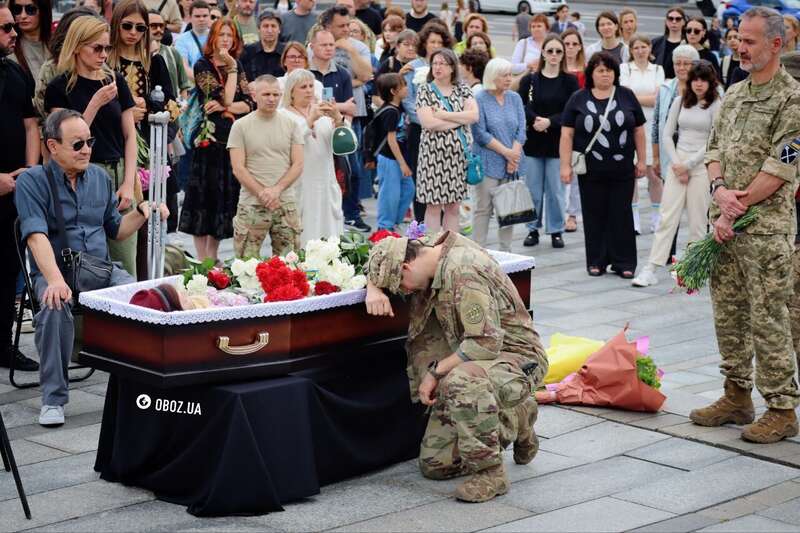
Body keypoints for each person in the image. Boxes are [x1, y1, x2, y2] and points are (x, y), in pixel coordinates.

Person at [363, 232, 548, 503]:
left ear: (406, 267)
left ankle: (491, 473)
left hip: (517, 357)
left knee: (458, 380)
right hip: (479, 357)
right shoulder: (429, 247)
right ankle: (513, 418)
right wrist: (373, 288)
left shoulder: (463, 271)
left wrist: (436, 372)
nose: (405, 291)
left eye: (401, 284)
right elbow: (379, 255)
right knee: (435, 465)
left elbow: (485, 342)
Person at [15, 109, 168, 427]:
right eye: (77, 144)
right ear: (53, 147)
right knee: (54, 304)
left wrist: (143, 211)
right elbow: (34, 235)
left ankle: (143, 385)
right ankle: (53, 399)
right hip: (54, 271)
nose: (86, 149)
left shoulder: (100, 178)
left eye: (89, 141)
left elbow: (117, 230)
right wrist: (55, 281)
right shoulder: (33, 180)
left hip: (100, 270)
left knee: (145, 299)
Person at [689, 6, 800, 443]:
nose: (740, 47)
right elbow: (713, 148)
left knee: (769, 318)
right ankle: (736, 394)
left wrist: (737, 205)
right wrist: (718, 192)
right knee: (728, 313)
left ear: (777, 44)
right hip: (726, 227)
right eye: (738, 38)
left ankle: (781, 406)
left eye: (750, 40)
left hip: (765, 231)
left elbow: (783, 166)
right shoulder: (734, 94)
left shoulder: (792, 100)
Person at [45, 16, 140, 277]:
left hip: (117, 170)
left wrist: (128, 182)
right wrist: (94, 104)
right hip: (81, 176)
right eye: (96, 48)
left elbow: (130, 136)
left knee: (125, 258)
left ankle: (125, 317)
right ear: (77, 46)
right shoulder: (59, 87)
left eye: (106, 48)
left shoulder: (115, 81)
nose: (103, 55)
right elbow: (68, 141)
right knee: (84, 264)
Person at [632, 60, 720, 287]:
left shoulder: (717, 104)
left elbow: (714, 140)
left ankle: (693, 270)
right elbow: (667, 134)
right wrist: (677, 163)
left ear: (711, 82)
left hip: (701, 167)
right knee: (666, 217)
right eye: (695, 80)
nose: (699, 85)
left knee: (698, 220)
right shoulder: (680, 102)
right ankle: (651, 267)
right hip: (677, 164)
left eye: (703, 80)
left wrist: (689, 164)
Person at [560, 51, 646, 278]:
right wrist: (565, 166)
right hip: (591, 170)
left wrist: (643, 160)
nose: (605, 74)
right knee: (594, 214)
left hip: (623, 168)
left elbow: (638, 130)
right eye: (600, 70)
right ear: (591, 73)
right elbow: (567, 134)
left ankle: (624, 262)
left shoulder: (626, 96)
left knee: (622, 214)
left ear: (615, 73)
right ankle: (596, 260)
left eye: (609, 70)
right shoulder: (578, 98)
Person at [178, 18, 253, 261]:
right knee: (204, 199)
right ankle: (203, 259)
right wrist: (230, 74)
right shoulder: (203, 65)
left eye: (230, 35)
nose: (225, 40)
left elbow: (249, 103)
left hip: (231, 140)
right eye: (221, 35)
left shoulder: (238, 64)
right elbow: (228, 97)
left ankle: (214, 255)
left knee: (222, 200)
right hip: (207, 141)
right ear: (213, 38)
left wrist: (228, 106)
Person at [0, 5, 40, 373]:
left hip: (13, 190)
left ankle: (3, 345)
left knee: (9, 269)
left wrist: (27, 173)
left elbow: (32, 126)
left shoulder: (14, 72)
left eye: (14, 26)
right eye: (6, 27)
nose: (14, 33)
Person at [229, 75, 304, 256]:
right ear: (254, 96)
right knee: (245, 265)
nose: (272, 99)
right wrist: (263, 193)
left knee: (290, 264)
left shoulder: (292, 124)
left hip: (285, 202)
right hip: (251, 204)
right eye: (266, 94)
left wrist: (276, 190)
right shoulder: (240, 126)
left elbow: (298, 164)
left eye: (276, 94)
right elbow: (238, 167)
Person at [518, 35, 578, 249]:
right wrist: (535, 120)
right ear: (543, 53)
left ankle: (556, 230)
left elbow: (572, 111)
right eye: (550, 51)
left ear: (563, 55)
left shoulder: (569, 81)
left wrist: (550, 122)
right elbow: (521, 105)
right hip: (533, 142)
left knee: (556, 190)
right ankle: (532, 229)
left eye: (558, 51)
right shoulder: (530, 80)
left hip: (558, 143)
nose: (554, 55)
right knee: (533, 189)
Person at [416, 48, 477, 233]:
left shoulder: (463, 89)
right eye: (434, 63)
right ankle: (433, 247)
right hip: (433, 157)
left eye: (442, 63)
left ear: (452, 67)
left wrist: (444, 115)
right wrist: (458, 120)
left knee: (453, 206)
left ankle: (450, 246)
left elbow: (473, 116)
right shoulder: (425, 90)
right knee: (433, 206)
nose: (437, 67)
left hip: (458, 158)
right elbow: (428, 123)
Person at [283, 69, 344, 243]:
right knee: (305, 233)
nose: (309, 90)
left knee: (330, 233)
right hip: (301, 183)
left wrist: (338, 120)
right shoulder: (283, 115)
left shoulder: (323, 113)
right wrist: (310, 120)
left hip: (326, 180)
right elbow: (287, 144)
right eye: (303, 87)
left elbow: (344, 145)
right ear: (291, 92)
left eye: (311, 86)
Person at [471, 57, 524, 252]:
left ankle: (506, 250)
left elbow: (521, 129)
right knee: (483, 208)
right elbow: (480, 133)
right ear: (493, 76)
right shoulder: (480, 99)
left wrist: (514, 156)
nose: (509, 79)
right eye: (504, 75)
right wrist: (507, 153)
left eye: (510, 74)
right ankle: (478, 250)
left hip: (513, 162)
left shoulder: (515, 98)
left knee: (508, 210)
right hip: (488, 161)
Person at [402, 21, 453, 222]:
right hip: (419, 130)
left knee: (443, 178)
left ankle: (443, 223)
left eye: (440, 42)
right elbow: (407, 100)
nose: (435, 45)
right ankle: (422, 224)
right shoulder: (414, 67)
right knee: (422, 180)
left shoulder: (449, 66)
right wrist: (426, 119)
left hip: (445, 129)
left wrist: (442, 119)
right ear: (424, 43)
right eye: (432, 41)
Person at [651, 44, 700, 235]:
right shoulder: (665, 88)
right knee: (669, 211)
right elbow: (656, 124)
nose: (681, 67)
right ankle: (667, 255)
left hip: (695, 157)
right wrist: (655, 157)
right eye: (677, 63)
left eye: (686, 64)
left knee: (697, 211)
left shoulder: (706, 89)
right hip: (669, 156)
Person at [620, 34, 665, 234]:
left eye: (644, 47)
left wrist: (635, 97)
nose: (640, 51)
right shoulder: (624, 68)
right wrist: (644, 98)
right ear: (631, 50)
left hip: (651, 127)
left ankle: (657, 218)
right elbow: (624, 97)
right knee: (631, 176)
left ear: (649, 49)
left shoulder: (658, 70)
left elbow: (658, 99)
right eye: (636, 47)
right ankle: (633, 218)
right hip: (630, 127)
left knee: (654, 175)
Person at [373, 73, 414, 231]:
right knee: (390, 194)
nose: (407, 88)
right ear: (393, 91)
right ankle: (385, 227)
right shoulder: (391, 112)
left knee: (408, 189)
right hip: (390, 159)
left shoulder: (399, 107)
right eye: (403, 85)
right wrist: (403, 164)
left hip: (399, 158)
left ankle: (394, 223)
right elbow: (391, 139)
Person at [7, 0, 52, 81]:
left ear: (43, 11)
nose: (23, 15)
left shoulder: (58, 45)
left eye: (30, 9)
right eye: (17, 9)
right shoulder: (7, 47)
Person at [240, 10, 286, 81]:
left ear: (279, 29)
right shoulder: (247, 51)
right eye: (265, 26)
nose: (269, 30)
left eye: (273, 26)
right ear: (258, 29)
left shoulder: (287, 51)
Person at [174, 0, 211, 81]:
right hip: (193, 88)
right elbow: (184, 68)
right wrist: (205, 82)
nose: (201, 19)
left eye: (205, 16)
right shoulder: (181, 40)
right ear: (190, 18)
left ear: (209, 17)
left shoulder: (216, 36)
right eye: (197, 16)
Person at [652, 7, 686, 80]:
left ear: (683, 22)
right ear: (666, 21)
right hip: (659, 83)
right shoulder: (655, 42)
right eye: (671, 18)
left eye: (678, 19)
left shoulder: (687, 43)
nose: (674, 21)